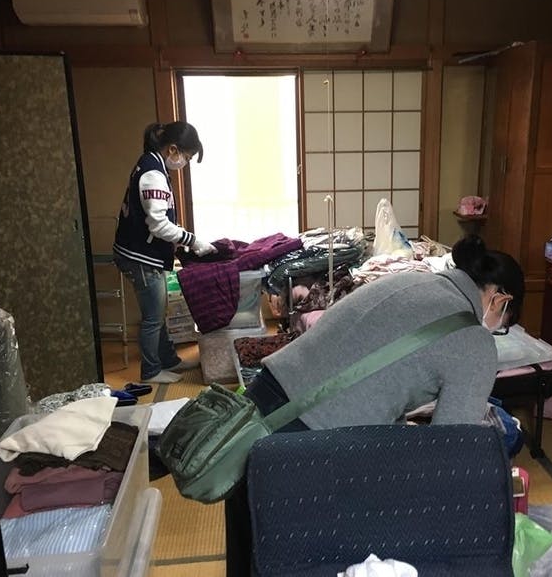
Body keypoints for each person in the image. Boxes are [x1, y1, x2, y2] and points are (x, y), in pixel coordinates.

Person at [224, 234, 524, 576]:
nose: (496, 329)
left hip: (261, 399)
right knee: (298, 557)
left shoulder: (412, 280)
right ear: (501, 300)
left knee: (249, 537)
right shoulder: (474, 340)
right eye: (505, 324)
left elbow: (379, 368)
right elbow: (452, 449)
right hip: (308, 440)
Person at [113, 121, 217, 384]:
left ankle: (168, 360)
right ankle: (151, 371)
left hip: (141, 252)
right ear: (173, 149)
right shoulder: (153, 174)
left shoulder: (152, 164)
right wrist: (193, 241)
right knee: (153, 317)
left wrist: (181, 239)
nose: (185, 163)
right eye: (187, 157)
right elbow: (158, 225)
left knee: (158, 313)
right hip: (140, 256)